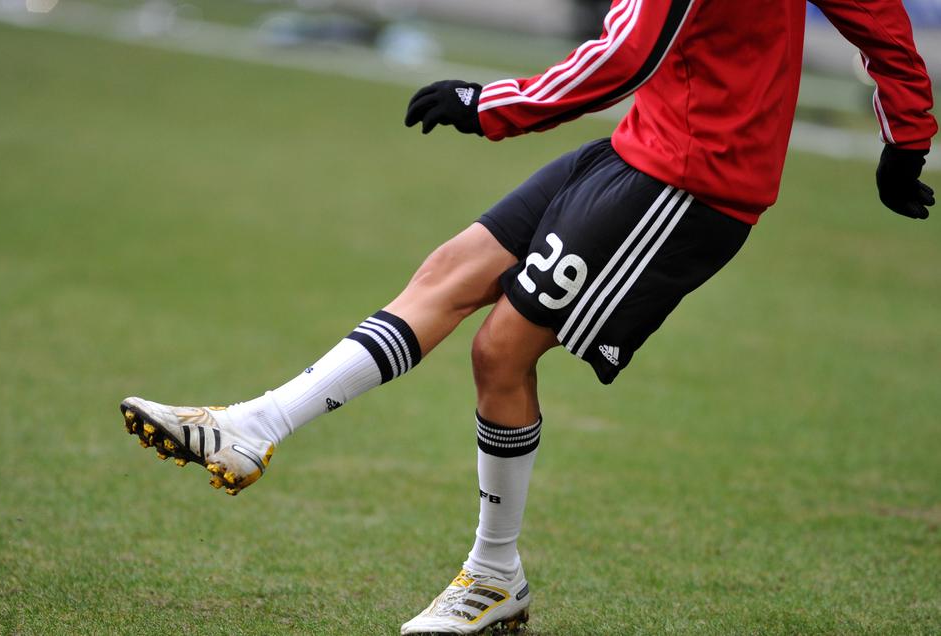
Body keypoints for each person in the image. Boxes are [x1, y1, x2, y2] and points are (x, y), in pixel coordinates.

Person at [119, 0, 936, 633]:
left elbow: (626, 55)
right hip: (643, 147)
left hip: (691, 181)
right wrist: (907, 139)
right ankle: (253, 427)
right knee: (447, 273)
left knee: (501, 351)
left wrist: (489, 103)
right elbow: (879, 21)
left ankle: (493, 576)